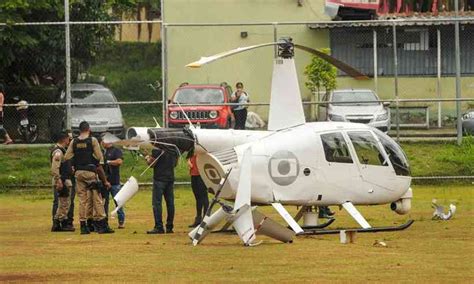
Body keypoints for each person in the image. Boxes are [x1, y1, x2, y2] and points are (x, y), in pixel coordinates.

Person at [64, 121, 113, 234]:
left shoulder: (74, 141)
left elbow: (67, 156)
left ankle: (83, 225)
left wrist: (74, 163)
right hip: (90, 172)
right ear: (89, 129)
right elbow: (99, 157)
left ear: (80, 130)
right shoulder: (92, 140)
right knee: (97, 198)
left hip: (78, 172)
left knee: (82, 200)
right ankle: (102, 224)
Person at [146, 146, 179, 234]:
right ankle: (169, 226)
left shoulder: (156, 149)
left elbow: (152, 164)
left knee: (157, 203)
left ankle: (159, 226)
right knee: (170, 203)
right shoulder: (174, 149)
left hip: (159, 179)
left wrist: (147, 159)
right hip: (170, 178)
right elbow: (175, 164)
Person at [50, 132, 75, 232]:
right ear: (64, 139)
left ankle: (59, 221)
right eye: (68, 139)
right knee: (63, 203)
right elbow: (55, 167)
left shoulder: (63, 150)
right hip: (62, 180)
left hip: (64, 179)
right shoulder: (58, 151)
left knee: (64, 203)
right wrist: (58, 179)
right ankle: (60, 222)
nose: (69, 141)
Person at [101, 134, 125, 229]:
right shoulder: (102, 152)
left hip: (114, 181)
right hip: (104, 181)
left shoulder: (116, 150)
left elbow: (119, 161)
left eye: (103, 140)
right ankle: (104, 220)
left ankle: (121, 220)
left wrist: (108, 162)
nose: (102, 142)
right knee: (104, 203)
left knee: (118, 202)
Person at [187, 152, 209, 228]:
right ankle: (198, 218)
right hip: (194, 174)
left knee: (203, 196)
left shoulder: (201, 151)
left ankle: (206, 219)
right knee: (198, 197)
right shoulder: (192, 151)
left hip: (201, 175)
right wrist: (189, 160)